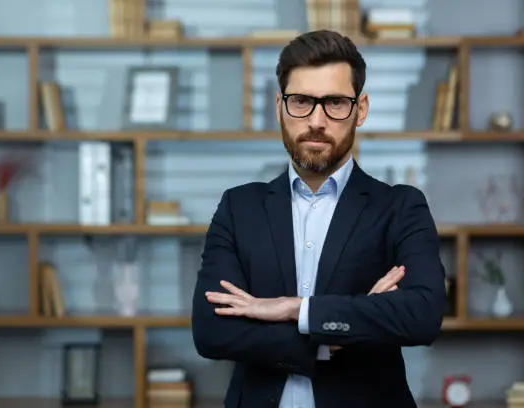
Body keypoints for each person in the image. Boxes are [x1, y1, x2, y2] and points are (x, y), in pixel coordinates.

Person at [191, 29, 447, 408]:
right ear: (279, 106)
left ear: (360, 109)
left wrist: (296, 309)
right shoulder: (238, 207)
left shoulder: (400, 207)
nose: (316, 120)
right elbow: (212, 331)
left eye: (335, 103)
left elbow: (422, 314)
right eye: (301, 102)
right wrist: (333, 335)